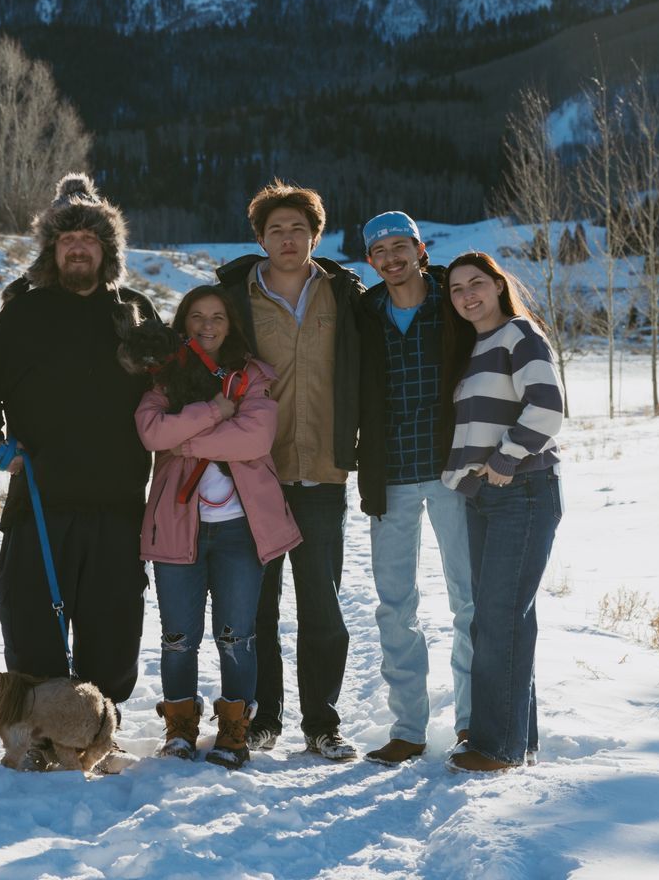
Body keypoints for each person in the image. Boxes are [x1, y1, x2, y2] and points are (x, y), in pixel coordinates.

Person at [0, 173, 161, 715]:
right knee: (31, 627)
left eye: (90, 239)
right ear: (52, 250)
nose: (78, 247)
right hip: (39, 502)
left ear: (107, 249)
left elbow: (171, 389)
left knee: (114, 632)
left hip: (118, 504)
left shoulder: (134, 310)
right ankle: (38, 727)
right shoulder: (24, 313)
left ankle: (98, 725)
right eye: (66, 239)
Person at [215, 180, 374, 761]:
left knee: (323, 603)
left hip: (324, 472)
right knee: (257, 604)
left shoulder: (345, 296)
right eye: (276, 229)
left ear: (316, 235)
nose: (288, 238)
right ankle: (262, 719)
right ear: (259, 239)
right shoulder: (234, 300)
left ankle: (321, 723)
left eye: (298, 229)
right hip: (255, 472)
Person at [136, 285, 301, 770]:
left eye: (218, 318)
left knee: (236, 636)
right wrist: (212, 414)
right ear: (183, 324)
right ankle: (181, 728)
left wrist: (186, 439)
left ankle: (234, 731)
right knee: (178, 636)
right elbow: (150, 431)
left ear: (231, 325)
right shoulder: (165, 377)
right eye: (196, 318)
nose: (207, 326)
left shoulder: (251, 376)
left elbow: (255, 438)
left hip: (238, 531)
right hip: (177, 527)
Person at [357, 212, 476, 766]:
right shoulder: (364, 313)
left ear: (420, 248)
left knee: (469, 602)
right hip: (392, 475)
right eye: (378, 250)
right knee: (395, 607)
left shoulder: (455, 301)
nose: (390, 257)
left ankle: (475, 726)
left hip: (457, 472)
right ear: (370, 261)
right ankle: (408, 729)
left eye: (399, 246)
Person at [439, 251, 565, 773]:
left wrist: (504, 460)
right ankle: (518, 739)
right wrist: (467, 474)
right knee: (502, 620)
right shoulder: (477, 348)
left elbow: (549, 406)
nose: (467, 295)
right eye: (456, 289)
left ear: (497, 285)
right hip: (485, 496)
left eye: (476, 284)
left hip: (524, 491)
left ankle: (497, 748)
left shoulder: (520, 335)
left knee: (497, 620)